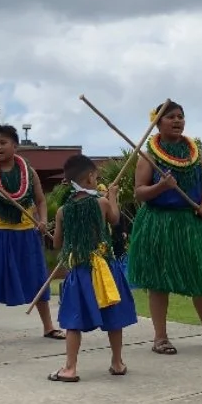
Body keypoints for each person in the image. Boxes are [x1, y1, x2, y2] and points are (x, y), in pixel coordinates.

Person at [127, 101, 202, 355]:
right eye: (171, 117)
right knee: (159, 281)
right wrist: (161, 187)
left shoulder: (193, 151)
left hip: (192, 221)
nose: (177, 121)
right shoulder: (148, 154)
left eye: (180, 117)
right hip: (159, 222)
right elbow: (139, 193)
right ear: (157, 122)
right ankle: (160, 338)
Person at [0, 125, 61, 348]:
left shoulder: (29, 171)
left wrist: (42, 219)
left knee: (38, 277)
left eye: (3, 143)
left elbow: (39, 200)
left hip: (25, 232)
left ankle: (48, 326)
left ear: (15, 145)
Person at [47, 155, 136, 382]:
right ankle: (117, 362)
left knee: (73, 320)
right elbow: (115, 219)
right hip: (105, 267)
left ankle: (70, 367)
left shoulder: (62, 211)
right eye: (96, 177)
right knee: (113, 315)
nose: (97, 180)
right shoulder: (102, 203)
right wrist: (113, 196)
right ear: (89, 177)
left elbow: (57, 243)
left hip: (79, 271)